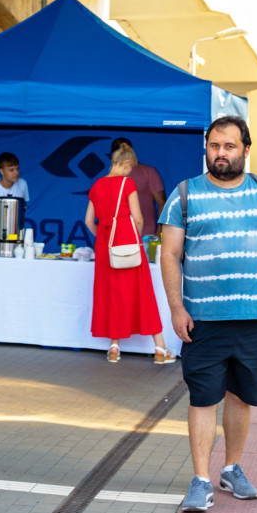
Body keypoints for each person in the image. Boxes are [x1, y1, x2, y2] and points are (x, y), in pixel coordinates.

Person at [158, 116, 257, 513]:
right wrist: (177, 307)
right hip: (203, 319)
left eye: (229, 146)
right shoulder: (185, 194)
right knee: (203, 397)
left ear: (246, 150)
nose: (221, 153)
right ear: (206, 148)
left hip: (253, 316)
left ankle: (231, 468)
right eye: (215, 146)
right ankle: (201, 478)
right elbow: (169, 253)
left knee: (242, 396)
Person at [84, 143, 175, 364]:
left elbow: (88, 221)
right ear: (126, 164)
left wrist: (103, 238)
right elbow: (139, 219)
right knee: (143, 293)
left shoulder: (96, 185)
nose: (130, 172)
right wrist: (134, 235)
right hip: (129, 243)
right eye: (130, 168)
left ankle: (114, 347)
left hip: (106, 247)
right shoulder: (127, 183)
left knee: (112, 296)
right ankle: (160, 349)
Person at [111, 137, 166, 236]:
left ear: (132, 151)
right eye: (117, 149)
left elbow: (162, 203)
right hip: (118, 236)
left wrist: (159, 232)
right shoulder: (110, 178)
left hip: (145, 235)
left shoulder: (148, 172)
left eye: (125, 148)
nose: (121, 151)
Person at [0, 151, 30, 231]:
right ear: (2, 171)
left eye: (17, 168)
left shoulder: (23, 184)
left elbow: (21, 211)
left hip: (9, 231)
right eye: (11, 170)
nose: (16, 172)